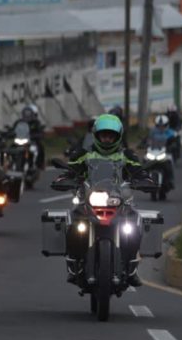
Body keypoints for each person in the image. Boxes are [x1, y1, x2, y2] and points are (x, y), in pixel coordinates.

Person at [63, 113, 152, 288]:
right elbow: (70, 170)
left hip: (119, 202)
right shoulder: (85, 154)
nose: (106, 139)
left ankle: (131, 268)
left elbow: (138, 171)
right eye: (103, 135)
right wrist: (64, 179)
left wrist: (144, 180)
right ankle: (74, 264)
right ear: (96, 135)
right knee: (73, 222)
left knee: (134, 225)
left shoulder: (126, 155)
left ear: (118, 137)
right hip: (88, 201)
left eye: (111, 136)